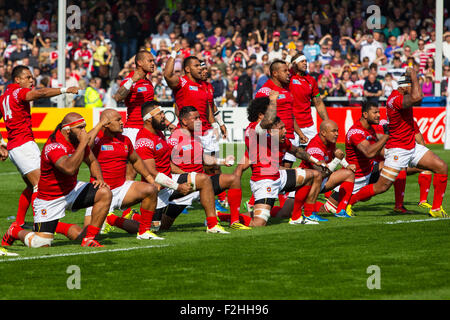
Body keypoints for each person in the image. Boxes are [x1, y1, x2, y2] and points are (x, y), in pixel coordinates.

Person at [347, 70, 448, 218]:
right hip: (398, 150)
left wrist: (413, 79)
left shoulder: (401, 96)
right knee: (382, 186)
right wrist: (414, 75)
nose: (413, 88)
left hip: (412, 147)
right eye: (411, 86)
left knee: (442, 167)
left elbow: (417, 98)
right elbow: (418, 96)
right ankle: (350, 202)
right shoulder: (394, 100)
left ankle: (436, 208)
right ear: (405, 87)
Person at [2, 113, 112, 248]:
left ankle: (89, 238)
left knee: (105, 192)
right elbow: (69, 168)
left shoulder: (77, 141)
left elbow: (93, 161)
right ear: (67, 130)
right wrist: (83, 143)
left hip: (72, 190)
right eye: (80, 128)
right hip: (49, 199)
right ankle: (15, 231)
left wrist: (99, 178)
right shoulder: (53, 146)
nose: (84, 131)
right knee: (41, 244)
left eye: (84, 127)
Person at [0, 65, 79, 235]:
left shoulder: (4, 97)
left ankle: (19, 222)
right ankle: (42, 226)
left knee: (30, 186)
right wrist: (65, 89)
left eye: (31, 77)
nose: (31, 80)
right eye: (27, 77)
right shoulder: (18, 92)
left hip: (15, 147)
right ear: (17, 80)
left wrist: (1, 142)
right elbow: (40, 94)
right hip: (24, 146)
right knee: (40, 187)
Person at [133, 101, 229, 234]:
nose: (164, 116)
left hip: (169, 182)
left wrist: (186, 175)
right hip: (157, 189)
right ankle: (116, 219)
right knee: (154, 228)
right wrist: (177, 186)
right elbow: (152, 173)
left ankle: (212, 225)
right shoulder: (144, 140)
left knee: (204, 179)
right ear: (149, 118)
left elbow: (168, 163)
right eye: (160, 114)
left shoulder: (159, 135)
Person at [240, 93, 326, 226]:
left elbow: (296, 150)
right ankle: (226, 217)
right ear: (261, 115)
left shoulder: (273, 133)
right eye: (270, 111)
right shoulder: (252, 129)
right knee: (259, 223)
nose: (274, 113)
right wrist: (273, 100)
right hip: (264, 180)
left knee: (313, 175)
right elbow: (268, 122)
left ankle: (301, 216)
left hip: (279, 176)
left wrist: (315, 160)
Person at [162, 106, 250, 230]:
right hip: (184, 188)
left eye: (200, 117)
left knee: (233, 179)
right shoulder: (175, 138)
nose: (200, 121)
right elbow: (166, 163)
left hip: (202, 184)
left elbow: (202, 158)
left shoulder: (196, 136)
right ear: (184, 121)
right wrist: (187, 176)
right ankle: (136, 219)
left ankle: (232, 221)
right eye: (195, 118)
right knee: (161, 226)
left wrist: (222, 161)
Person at [84, 109, 162, 240]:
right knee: (87, 236)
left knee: (150, 189)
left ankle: (144, 232)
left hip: (121, 189)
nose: (122, 122)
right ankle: (110, 219)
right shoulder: (97, 139)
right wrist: (99, 124)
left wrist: (150, 179)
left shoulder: (125, 140)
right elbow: (84, 145)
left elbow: (136, 160)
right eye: (118, 120)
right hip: (100, 193)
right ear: (106, 124)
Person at [322, 102, 389, 215]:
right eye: (375, 112)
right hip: (355, 178)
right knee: (326, 210)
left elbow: (380, 151)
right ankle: (301, 205)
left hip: (368, 171)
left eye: (379, 112)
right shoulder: (355, 132)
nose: (378, 115)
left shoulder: (370, 129)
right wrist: (386, 136)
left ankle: (399, 206)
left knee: (394, 167)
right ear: (365, 114)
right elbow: (369, 153)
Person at [294, 120, 356, 221]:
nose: (337, 134)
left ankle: (341, 211)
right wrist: (337, 160)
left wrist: (347, 165)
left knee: (349, 174)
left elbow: (335, 153)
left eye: (337, 131)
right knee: (284, 213)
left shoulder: (329, 141)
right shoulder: (315, 147)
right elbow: (321, 173)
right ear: (323, 133)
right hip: (306, 184)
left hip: (318, 182)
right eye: (334, 131)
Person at [289, 52, 329, 149]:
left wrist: (327, 121)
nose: (305, 63)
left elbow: (318, 103)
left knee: (316, 155)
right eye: (302, 61)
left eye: (306, 61)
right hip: (291, 125)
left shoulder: (311, 80)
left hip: (308, 125)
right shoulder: (288, 77)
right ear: (295, 64)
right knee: (288, 162)